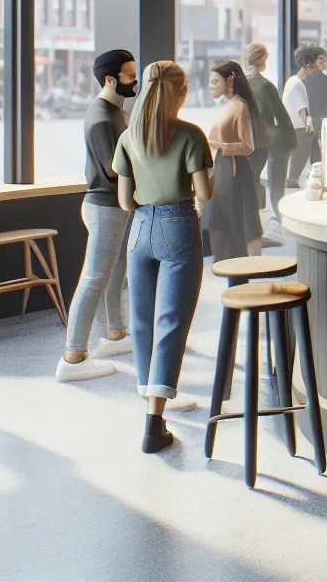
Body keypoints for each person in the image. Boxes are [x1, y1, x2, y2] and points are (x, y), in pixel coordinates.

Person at [113, 61, 214, 452]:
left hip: (139, 230)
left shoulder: (128, 137)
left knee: (141, 320)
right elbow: (204, 194)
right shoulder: (191, 135)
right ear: (181, 92)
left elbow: (124, 201)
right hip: (178, 226)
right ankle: (154, 425)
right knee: (170, 322)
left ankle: (149, 406)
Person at [55, 49, 139, 383]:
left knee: (115, 271)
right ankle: (73, 357)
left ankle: (116, 334)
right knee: (95, 277)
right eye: (130, 75)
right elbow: (114, 168)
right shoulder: (103, 116)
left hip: (113, 205)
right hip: (105, 206)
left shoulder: (115, 112)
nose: (135, 80)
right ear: (110, 78)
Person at [202, 61, 264, 262]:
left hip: (234, 168)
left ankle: (248, 267)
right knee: (226, 219)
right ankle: (229, 262)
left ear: (229, 80)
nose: (211, 86)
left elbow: (248, 146)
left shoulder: (240, 107)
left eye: (214, 81)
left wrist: (217, 145)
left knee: (242, 220)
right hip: (223, 166)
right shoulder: (229, 105)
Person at [244, 42, 296, 217]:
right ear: (261, 59)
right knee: (276, 183)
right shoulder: (265, 85)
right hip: (269, 139)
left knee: (251, 181)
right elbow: (280, 115)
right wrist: (291, 139)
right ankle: (278, 217)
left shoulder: (239, 85)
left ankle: (253, 223)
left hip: (248, 139)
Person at [284, 45, 324, 188]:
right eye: (316, 62)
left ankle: (293, 180)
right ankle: (292, 181)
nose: (318, 67)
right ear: (308, 64)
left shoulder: (293, 81)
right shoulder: (297, 83)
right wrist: (309, 125)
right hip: (298, 128)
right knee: (300, 154)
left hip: (294, 126)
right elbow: (302, 109)